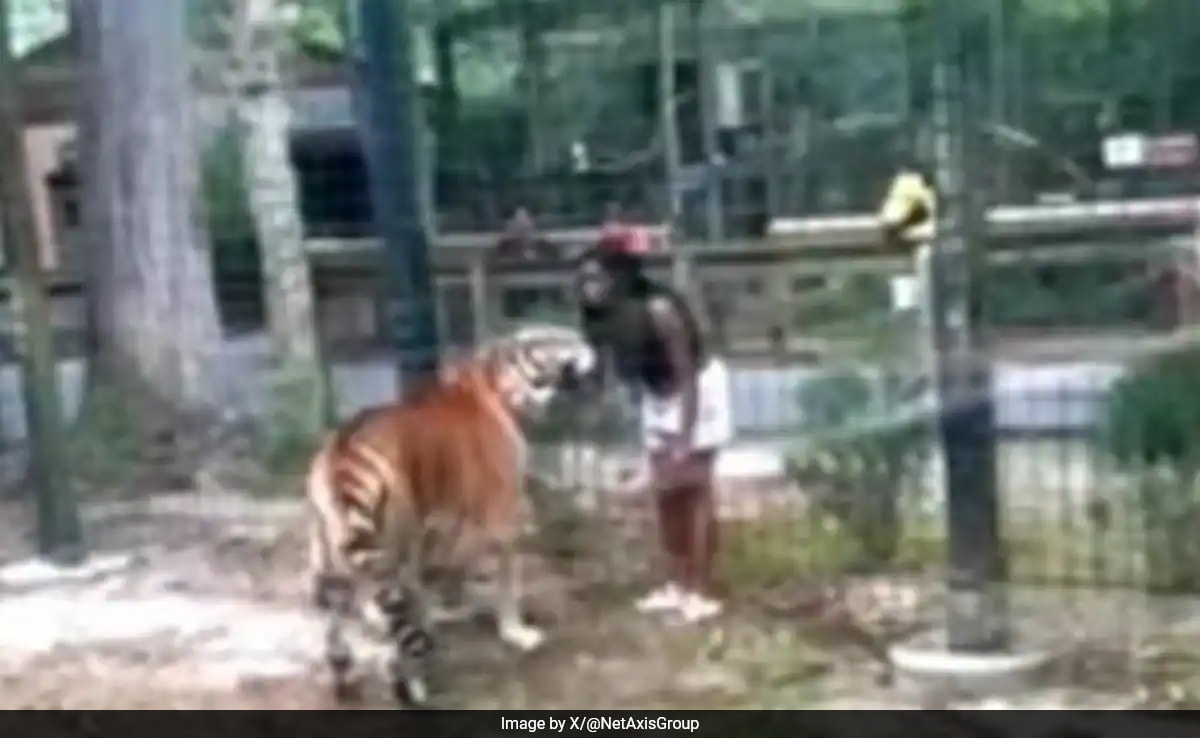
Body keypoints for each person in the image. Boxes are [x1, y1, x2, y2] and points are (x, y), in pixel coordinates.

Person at [574, 222, 733, 624]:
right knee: (665, 494)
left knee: (693, 489)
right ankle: (675, 584)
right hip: (658, 394)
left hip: (695, 391)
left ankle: (699, 591)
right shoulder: (600, 315)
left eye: (596, 277)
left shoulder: (659, 309)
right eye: (584, 278)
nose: (588, 285)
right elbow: (604, 370)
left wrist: (684, 436)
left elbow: (686, 375)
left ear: (620, 275)